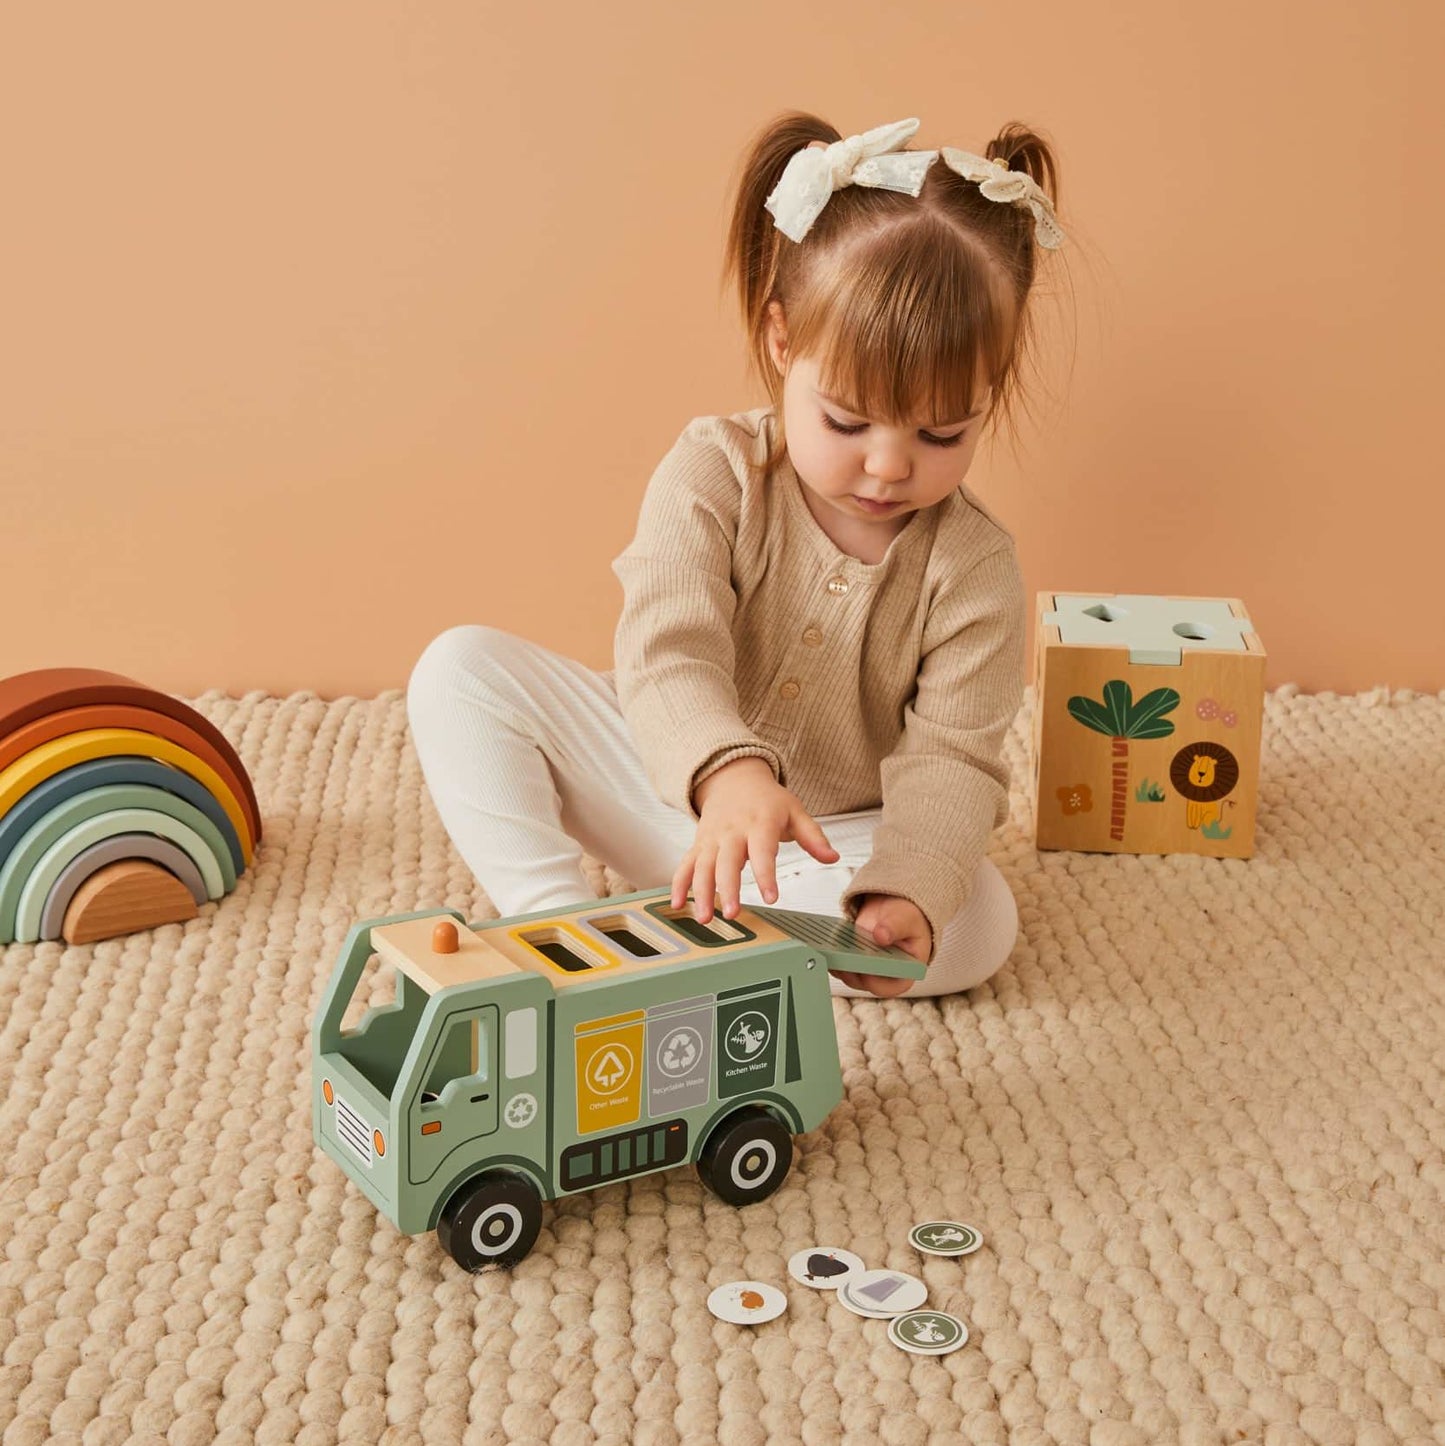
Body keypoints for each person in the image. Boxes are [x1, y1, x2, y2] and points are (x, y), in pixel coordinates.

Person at [407, 112, 1066, 999]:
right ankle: (551, 924)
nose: (888, 464)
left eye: (942, 432)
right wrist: (727, 772)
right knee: (460, 671)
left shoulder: (974, 566)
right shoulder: (714, 469)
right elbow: (665, 647)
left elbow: (954, 757)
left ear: (988, 393)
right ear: (781, 339)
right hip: (660, 786)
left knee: (976, 919)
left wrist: (908, 891)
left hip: (824, 845)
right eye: (846, 419)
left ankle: (731, 931)